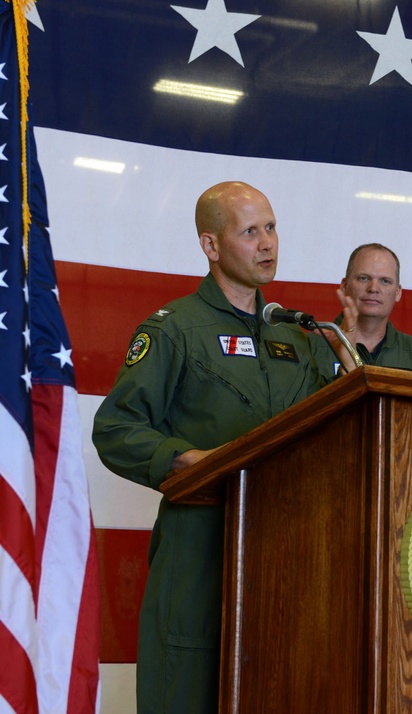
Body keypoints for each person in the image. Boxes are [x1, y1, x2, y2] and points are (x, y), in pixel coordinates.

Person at [92, 181, 351, 714]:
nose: (268, 244)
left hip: (287, 554)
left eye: (272, 228)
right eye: (250, 231)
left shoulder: (298, 337)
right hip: (201, 550)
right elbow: (116, 427)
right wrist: (196, 461)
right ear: (211, 246)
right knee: (186, 689)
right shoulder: (175, 330)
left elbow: (331, 436)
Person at [334, 242, 412, 374]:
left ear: (398, 292)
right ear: (344, 286)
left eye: (385, 281)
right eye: (364, 278)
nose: (373, 288)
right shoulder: (309, 349)